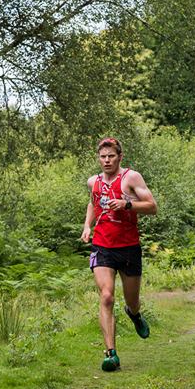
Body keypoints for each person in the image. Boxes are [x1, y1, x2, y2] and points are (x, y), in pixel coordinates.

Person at [80, 137, 158, 372]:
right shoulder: (93, 181)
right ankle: (110, 354)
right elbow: (93, 203)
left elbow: (152, 207)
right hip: (102, 246)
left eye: (111, 156)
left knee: (131, 300)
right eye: (103, 157)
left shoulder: (131, 178)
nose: (106, 161)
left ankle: (134, 314)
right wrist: (87, 226)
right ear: (98, 158)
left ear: (120, 157)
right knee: (106, 297)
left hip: (128, 247)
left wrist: (126, 205)